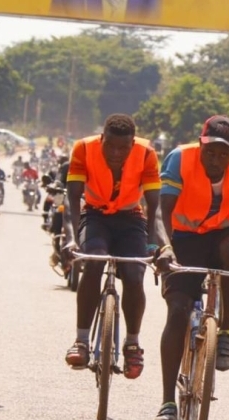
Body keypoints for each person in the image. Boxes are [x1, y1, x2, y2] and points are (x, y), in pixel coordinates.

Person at [152, 115, 229, 420]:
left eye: (224, 154)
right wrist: (165, 248)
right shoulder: (180, 158)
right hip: (184, 239)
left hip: (224, 235)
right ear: (200, 143)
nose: (216, 160)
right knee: (178, 313)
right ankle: (167, 402)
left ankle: (227, 333)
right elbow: (160, 211)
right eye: (210, 152)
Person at [62, 114, 161, 380]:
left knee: (133, 274)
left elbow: (153, 204)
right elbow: (73, 196)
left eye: (123, 148)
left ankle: (132, 344)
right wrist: (71, 237)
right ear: (101, 138)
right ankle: (81, 340)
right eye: (111, 146)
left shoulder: (147, 153)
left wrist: (152, 242)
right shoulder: (83, 148)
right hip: (95, 216)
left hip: (131, 219)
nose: (117, 153)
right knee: (93, 261)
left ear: (132, 144)